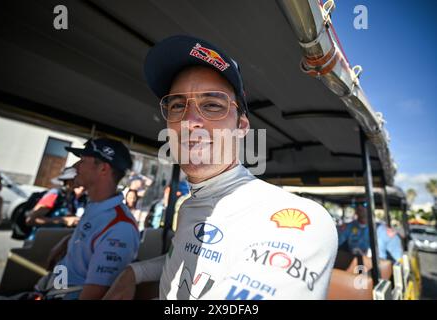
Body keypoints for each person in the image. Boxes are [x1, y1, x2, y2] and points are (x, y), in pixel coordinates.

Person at [104, 35, 337, 300]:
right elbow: (189, 256)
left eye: (212, 105)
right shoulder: (192, 205)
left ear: (241, 127)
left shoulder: (298, 218)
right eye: (178, 105)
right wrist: (134, 272)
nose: (190, 121)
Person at [37, 138, 140, 300]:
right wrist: (68, 241)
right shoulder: (95, 207)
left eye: (83, 160)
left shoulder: (120, 227)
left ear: (104, 169)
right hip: (51, 291)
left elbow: (94, 295)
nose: (75, 166)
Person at [25, 167, 87, 241]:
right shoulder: (54, 194)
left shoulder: (72, 196)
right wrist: (64, 220)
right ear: (69, 181)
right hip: (38, 241)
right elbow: (31, 220)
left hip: (53, 240)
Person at [338, 200, 403, 262]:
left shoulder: (383, 231)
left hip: (376, 270)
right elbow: (335, 245)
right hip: (353, 267)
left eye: (364, 204)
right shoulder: (348, 227)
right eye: (357, 204)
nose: (360, 207)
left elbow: (398, 260)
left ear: (371, 207)